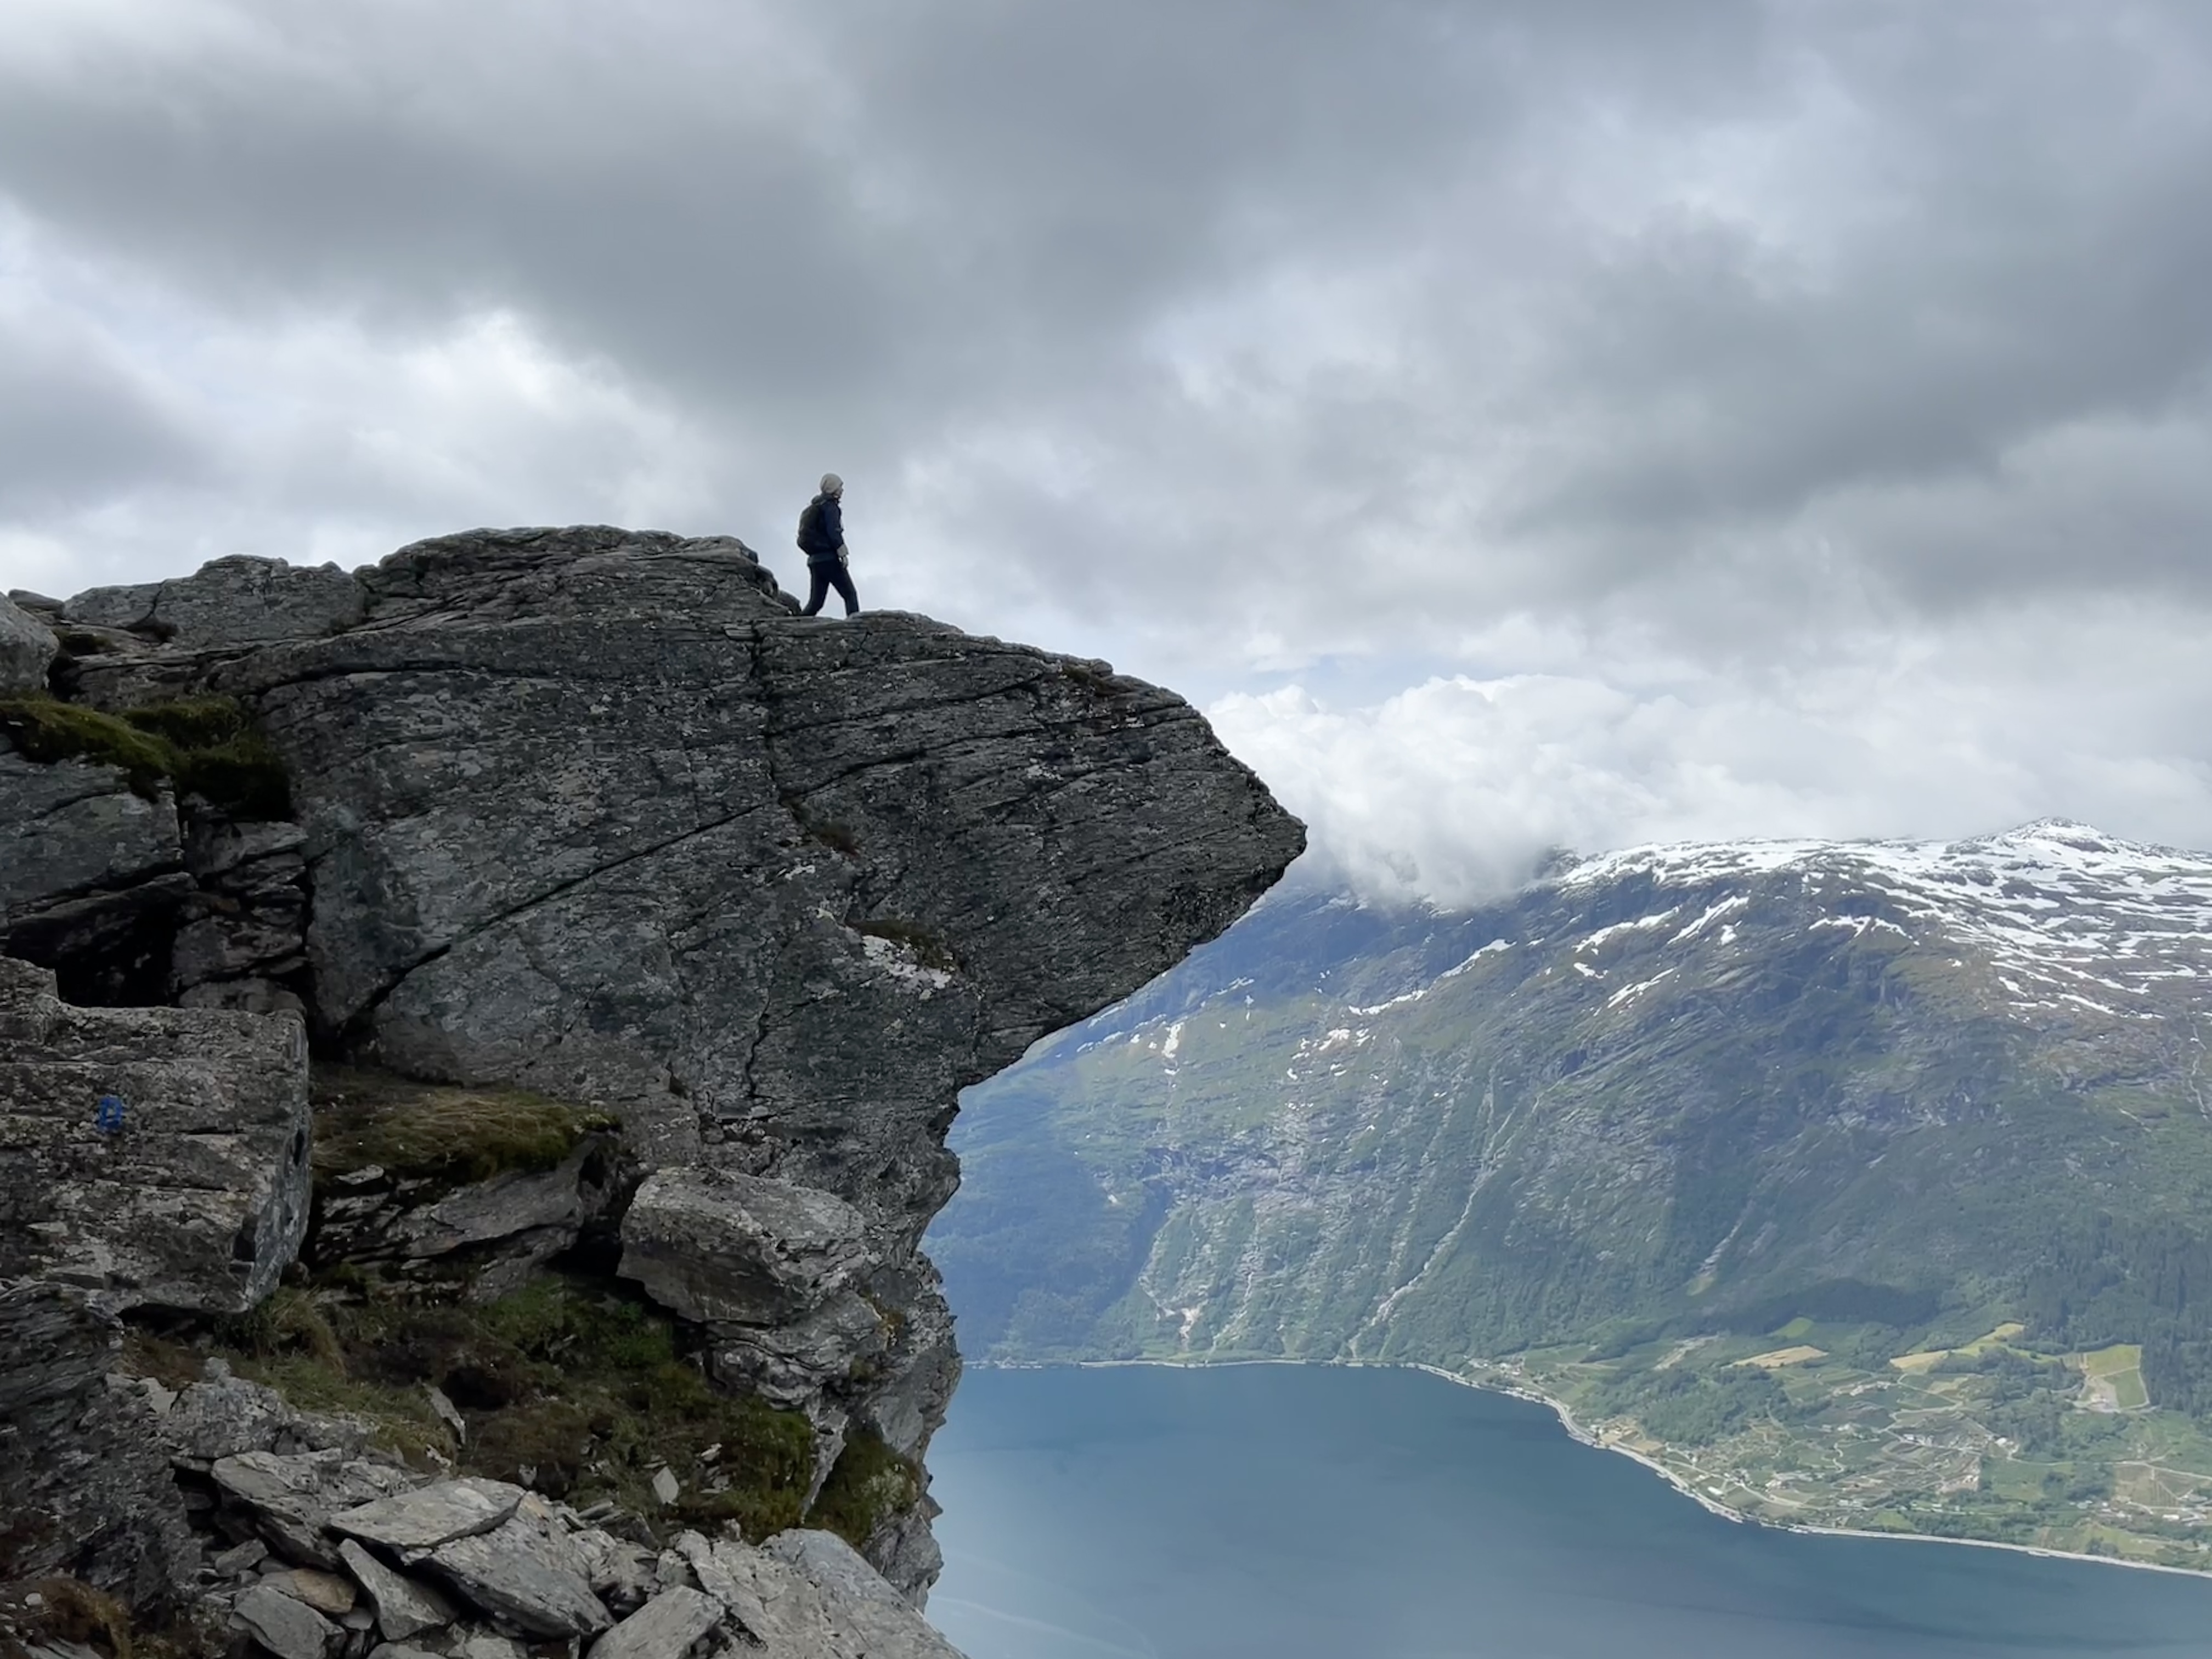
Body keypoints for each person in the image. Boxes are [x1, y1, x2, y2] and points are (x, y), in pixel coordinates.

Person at [797, 472, 860, 617]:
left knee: (816, 603)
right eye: (840, 486)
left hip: (814, 561)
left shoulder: (816, 506)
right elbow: (834, 533)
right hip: (830, 559)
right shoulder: (831, 507)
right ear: (833, 489)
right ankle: (856, 628)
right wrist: (842, 554)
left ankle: (794, 626)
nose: (842, 490)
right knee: (850, 595)